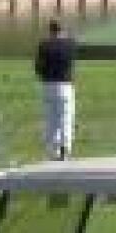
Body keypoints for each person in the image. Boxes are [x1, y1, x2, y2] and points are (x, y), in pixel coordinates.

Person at [34, 19, 77, 160]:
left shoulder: (43, 45)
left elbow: (38, 68)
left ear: (50, 30)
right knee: (65, 118)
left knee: (50, 120)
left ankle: (52, 152)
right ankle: (65, 149)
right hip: (65, 86)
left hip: (47, 85)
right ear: (62, 29)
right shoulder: (70, 44)